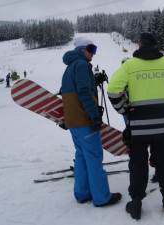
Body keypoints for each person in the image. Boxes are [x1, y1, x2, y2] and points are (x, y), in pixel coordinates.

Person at [107, 32, 164, 220]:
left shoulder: (130, 65)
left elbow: (113, 90)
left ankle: (136, 204)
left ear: (139, 44)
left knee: (138, 164)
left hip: (139, 127)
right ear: (156, 45)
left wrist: (124, 110)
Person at [61, 36, 122, 207]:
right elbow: (83, 92)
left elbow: (71, 92)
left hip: (74, 122)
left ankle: (82, 193)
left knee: (81, 156)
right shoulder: (81, 65)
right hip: (85, 121)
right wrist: (94, 115)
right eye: (91, 49)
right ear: (82, 49)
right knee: (94, 157)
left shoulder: (71, 67)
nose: (94, 53)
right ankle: (102, 197)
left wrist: (93, 81)